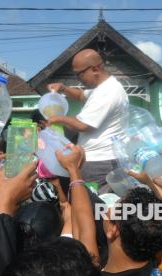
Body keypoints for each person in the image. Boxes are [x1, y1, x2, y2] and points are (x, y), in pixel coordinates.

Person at [47, 49, 129, 189]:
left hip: (100, 162)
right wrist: (63, 88)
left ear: (95, 69)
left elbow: (83, 125)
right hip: (99, 159)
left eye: (80, 74)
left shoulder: (107, 92)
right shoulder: (102, 88)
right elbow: (80, 96)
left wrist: (58, 118)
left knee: (95, 204)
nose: (78, 78)